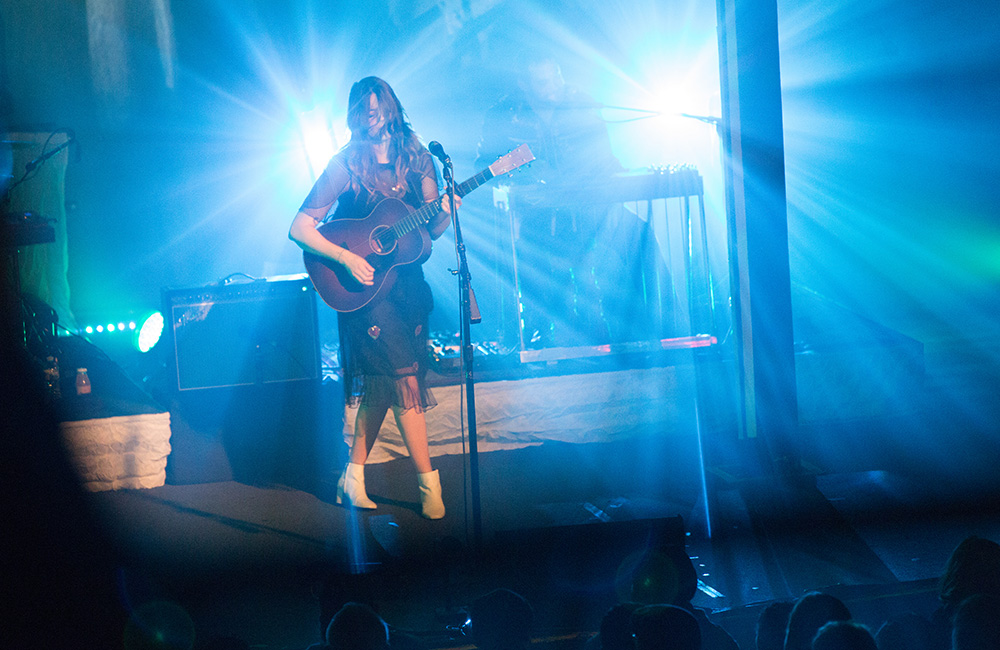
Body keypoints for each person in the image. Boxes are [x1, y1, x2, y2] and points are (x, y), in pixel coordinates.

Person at [289, 76, 458, 520]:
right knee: (404, 377)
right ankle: (429, 485)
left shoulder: (418, 157)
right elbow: (300, 227)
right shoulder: (345, 164)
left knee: (384, 385)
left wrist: (445, 212)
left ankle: (353, 477)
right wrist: (345, 257)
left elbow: (430, 233)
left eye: (378, 107)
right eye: (364, 109)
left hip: (407, 287)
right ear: (354, 116)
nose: (373, 115)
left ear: (392, 108)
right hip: (363, 288)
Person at [476, 54, 641, 349]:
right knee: (542, 288)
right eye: (543, 83)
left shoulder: (582, 106)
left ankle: (607, 346)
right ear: (523, 85)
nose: (554, 88)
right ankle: (544, 349)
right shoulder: (504, 115)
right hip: (531, 220)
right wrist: (513, 185)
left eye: (557, 79)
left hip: (586, 215)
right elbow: (485, 165)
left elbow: (605, 158)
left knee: (597, 278)